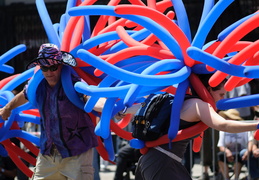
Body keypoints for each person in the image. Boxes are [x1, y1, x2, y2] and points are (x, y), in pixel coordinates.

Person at [0, 43, 107, 180]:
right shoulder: (37, 85)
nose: (49, 72)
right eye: (45, 67)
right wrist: (7, 108)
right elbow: (25, 94)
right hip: (48, 154)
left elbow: (89, 96)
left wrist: (108, 107)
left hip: (77, 153)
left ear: (61, 65)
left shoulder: (72, 82)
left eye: (53, 67)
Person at [132, 73, 259, 180]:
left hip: (151, 161)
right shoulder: (199, 105)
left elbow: (144, 108)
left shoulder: (182, 100)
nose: (222, 98)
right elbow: (223, 125)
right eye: (221, 94)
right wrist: (256, 125)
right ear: (209, 89)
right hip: (163, 162)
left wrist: (123, 111)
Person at [217, 109, 249, 180]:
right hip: (229, 153)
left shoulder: (243, 128)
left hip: (241, 154)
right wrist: (227, 152)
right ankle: (226, 178)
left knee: (239, 155)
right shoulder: (223, 129)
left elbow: (249, 142)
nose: (226, 119)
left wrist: (247, 151)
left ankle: (236, 178)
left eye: (228, 117)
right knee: (220, 155)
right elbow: (221, 145)